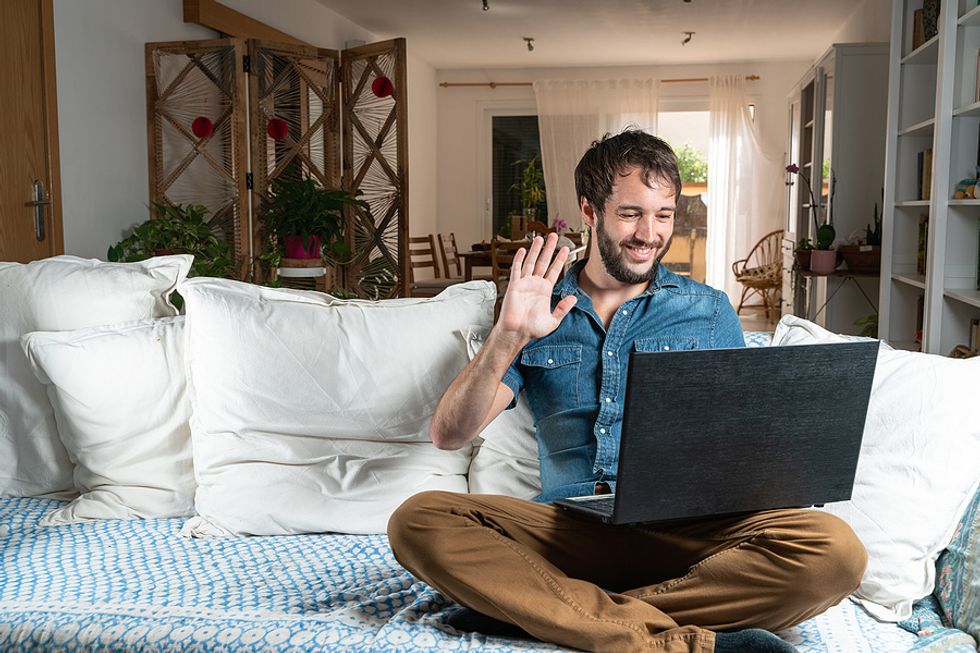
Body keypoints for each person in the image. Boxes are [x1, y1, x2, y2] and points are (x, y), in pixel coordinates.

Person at [387, 130, 866, 653]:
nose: (649, 233)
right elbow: (450, 433)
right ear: (590, 210)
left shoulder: (708, 311)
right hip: (572, 533)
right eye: (631, 213)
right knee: (420, 521)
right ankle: (669, 640)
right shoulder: (539, 308)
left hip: (691, 536)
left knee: (836, 553)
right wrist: (509, 335)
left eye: (663, 215)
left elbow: (743, 444)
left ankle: (551, 611)